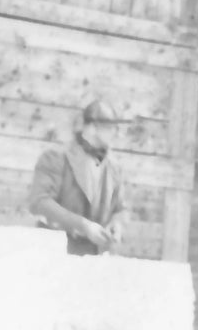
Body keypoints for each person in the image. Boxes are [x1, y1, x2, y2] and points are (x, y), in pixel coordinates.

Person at [27, 99, 131, 256]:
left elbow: (121, 209)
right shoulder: (56, 158)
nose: (117, 133)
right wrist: (83, 226)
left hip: (96, 259)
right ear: (93, 128)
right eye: (111, 128)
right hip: (55, 255)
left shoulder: (115, 167)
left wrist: (116, 225)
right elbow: (39, 202)